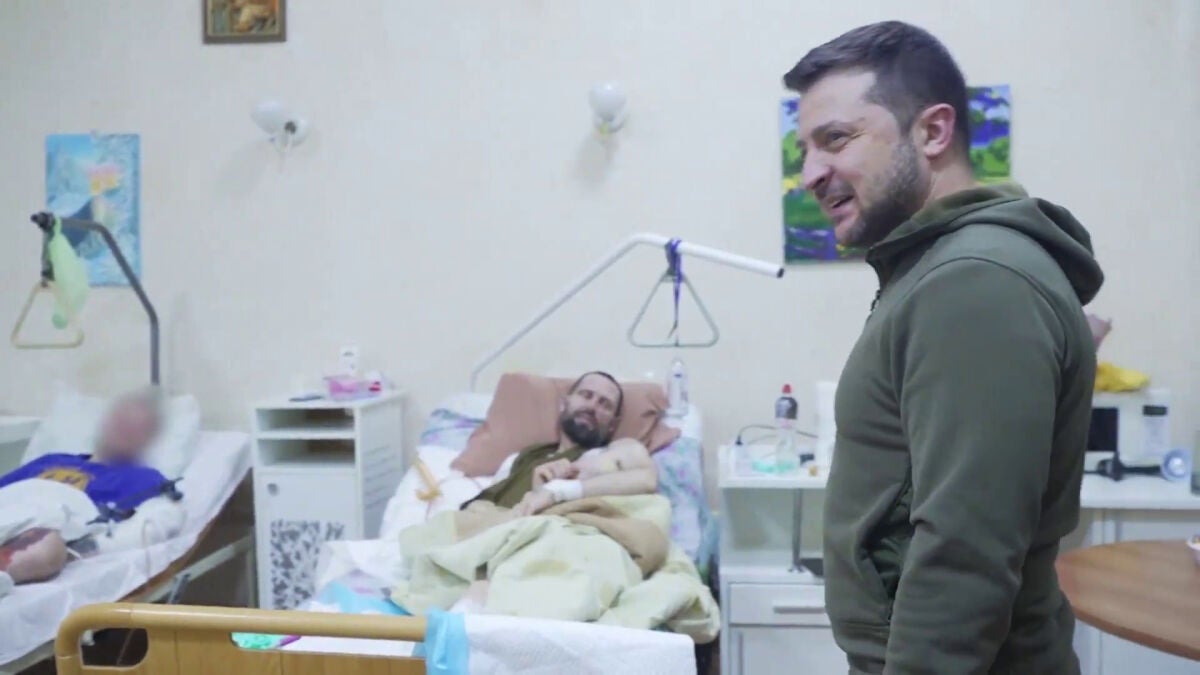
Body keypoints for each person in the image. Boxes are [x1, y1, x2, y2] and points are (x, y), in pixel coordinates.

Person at [783, 21, 1104, 674]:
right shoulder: (941, 270)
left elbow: (965, 552)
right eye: (805, 150)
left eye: (836, 139)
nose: (811, 173)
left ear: (932, 132)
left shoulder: (975, 281)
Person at [0, 388, 170, 590]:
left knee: (49, 550)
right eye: (121, 422)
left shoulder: (142, 478)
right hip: (9, 509)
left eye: (136, 428)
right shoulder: (51, 459)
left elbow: (154, 524)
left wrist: (90, 546)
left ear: (148, 439)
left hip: (38, 528)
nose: (124, 430)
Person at [462, 371, 658, 516]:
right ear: (564, 403)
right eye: (586, 395)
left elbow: (647, 479)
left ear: (613, 424)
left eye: (605, 404)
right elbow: (485, 506)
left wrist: (557, 491)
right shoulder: (520, 459)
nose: (592, 407)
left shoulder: (607, 456)